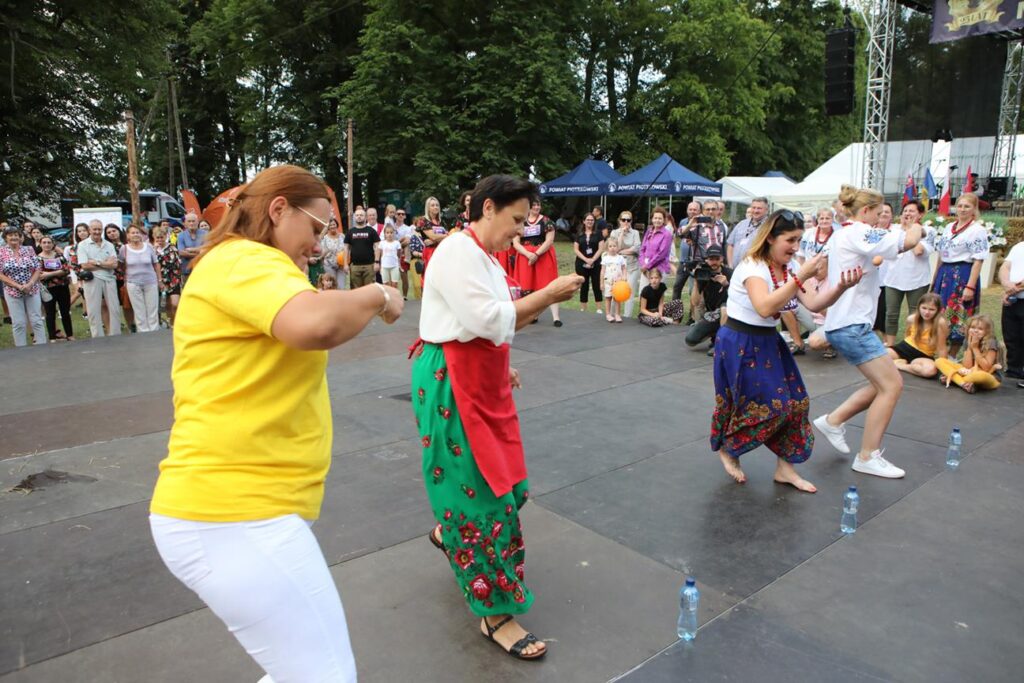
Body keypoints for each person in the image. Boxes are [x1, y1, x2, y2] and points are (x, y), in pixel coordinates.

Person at [150, 165, 403, 683]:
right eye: (317, 227)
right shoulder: (244, 259)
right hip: (232, 512)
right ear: (279, 209)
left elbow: (315, 310)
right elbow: (316, 322)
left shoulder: (247, 266)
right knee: (325, 677)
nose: (319, 243)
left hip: (242, 510)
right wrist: (379, 295)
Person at [412, 174, 581, 662]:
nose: (520, 231)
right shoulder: (455, 252)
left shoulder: (483, 255)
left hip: (480, 377)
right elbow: (486, 319)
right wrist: (547, 295)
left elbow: (490, 324)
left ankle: (449, 532)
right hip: (452, 382)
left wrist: (500, 367)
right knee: (483, 499)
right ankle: (496, 615)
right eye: (515, 220)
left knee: (509, 485)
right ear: (487, 208)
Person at [712, 210, 863, 493]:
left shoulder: (791, 267)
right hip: (740, 342)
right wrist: (801, 276)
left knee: (797, 403)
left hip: (769, 341)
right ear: (771, 238)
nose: (795, 247)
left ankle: (785, 469)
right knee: (767, 406)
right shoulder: (753, 267)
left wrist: (842, 287)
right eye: (790, 240)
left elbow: (815, 303)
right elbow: (765, 307)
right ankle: (729, 448)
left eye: (799, 240)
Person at [814, 185, 923, 479]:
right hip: (851, 325)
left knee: (882, 383)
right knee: (892, 385)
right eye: (878, 213)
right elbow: (909, 241)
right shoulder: (859, 231)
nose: (881, 219)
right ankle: (867, 456)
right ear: (865, 211)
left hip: (847, 323)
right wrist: (918, 226)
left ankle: (833, 421)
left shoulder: (845, 233)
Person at [933, 193, 989, 356]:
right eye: (960, 206)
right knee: (940, 313)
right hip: (945, 273)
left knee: (959, 316)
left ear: (974, 209)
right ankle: (940, 352)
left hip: (962, 275)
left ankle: (952, 355)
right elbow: (941, 255)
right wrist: (935, 279)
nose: (962, 209)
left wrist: (970, 286)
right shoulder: (949, 227)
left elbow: (978, 260)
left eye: (967, 206)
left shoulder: (977, 230)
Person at [882, 201, 935, 346]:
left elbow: (918, 251)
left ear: (921, 214)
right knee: (891, 314)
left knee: (915, 314)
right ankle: (890, 344)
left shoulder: (928, 231)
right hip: (893, 279)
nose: (907, 214)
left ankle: (911, 344)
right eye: (905, 211)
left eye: (912, 211)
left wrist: (911, 230)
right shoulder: (894, 230)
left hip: (917, 280)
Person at [512, 200, 562, 326]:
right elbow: (516, 242)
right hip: (525, 256)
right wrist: (527, 254)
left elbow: (549, 240)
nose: (536, 207)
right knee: (527, 284)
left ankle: (556, 317)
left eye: (538, 205)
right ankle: (532, 315)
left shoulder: (546, 221)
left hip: (543, 255)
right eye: (534, 205)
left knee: (549, 283)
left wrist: (536, 254)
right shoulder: (521, 222)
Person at [0, 225, 47, 345]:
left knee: (36, 320)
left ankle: (42, 347)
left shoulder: (29, 249)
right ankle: (21, 349)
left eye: (16, 235)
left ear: (20, 237)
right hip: (12, 291)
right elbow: (1, 274)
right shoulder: (1, 252)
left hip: (32, 289)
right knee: (18, 323)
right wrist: (17, 286)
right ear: (5, 238)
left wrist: (30, 284)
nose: (14, 237)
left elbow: (37, 268)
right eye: (10, 235)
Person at [935, 314, 1005, 393]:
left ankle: (954, 379)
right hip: (969, 372)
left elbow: (986, 368)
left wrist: (975, 348)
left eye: (980, 329)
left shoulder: (991, 342)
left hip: (989, 375)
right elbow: (967, 366)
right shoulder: (967, 339)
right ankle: (964, 383)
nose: (975, 331)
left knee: (979, 376)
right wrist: (969, 346)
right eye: (973, 327)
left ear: (987, 331)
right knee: (939, 361)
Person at [77, 220, 122, 337]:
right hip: (93, 279)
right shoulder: (83, 245)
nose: (97, 232)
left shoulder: (109, 245)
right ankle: (97, 336)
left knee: (114, 308)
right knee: (93, 310)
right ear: (89, 230)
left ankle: (116, 335)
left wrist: (97, 262)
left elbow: (114, 264)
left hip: (109, 278)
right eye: (94, 229)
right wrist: (106, 264)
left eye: (99, 229)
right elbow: (85, 265)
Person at [886, 292, 947, 379]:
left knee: (930, 371)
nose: (927, 312)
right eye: (924, 308)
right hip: (905, 348)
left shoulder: (940, 323)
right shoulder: (912, 318)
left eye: (931, 309)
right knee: (878, 357)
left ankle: (900, 365)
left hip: (924, 354)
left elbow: (942, 348)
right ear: (919, 307)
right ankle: (907, 365)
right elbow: (907, 335)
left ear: (938, 310)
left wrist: (945, 370)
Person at [684, 245, 731, 351]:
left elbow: (739, 298)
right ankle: (714, 335)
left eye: (717, 259)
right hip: (712, 315)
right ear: (706, 260)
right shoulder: (703, 273)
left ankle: (722, 344)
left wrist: (726, 284)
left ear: (722, 259)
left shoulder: (729, 273)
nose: (714, 262)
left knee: (724, 309)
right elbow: (695, 302)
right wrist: (696, 282)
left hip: (729, 315)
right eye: (711, 259)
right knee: (690, 339)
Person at [121, 224, 162, 332]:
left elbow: (156, 264)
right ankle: (143, 333)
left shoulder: (148, 247)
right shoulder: (124, 249)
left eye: (137, 232)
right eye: (133, 233)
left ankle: (154, 332)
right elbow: (121, 265)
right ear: (128, 235)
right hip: (133, 283)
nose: (135, 234)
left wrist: (160, 280)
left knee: (152, 309)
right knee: (139, 311)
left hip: (150, 282)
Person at [37, 235, 74, 341]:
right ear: (40, 244)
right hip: (47, 289)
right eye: (44, 242)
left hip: (62, 287)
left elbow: (66, 270)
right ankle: (52, 337)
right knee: (50, 313)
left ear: (53, 244)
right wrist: (58, 272)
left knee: (65, 312)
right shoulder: (37, 258)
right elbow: (40, 275)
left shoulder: (59, 256)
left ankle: (70, 335)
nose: (47, 244)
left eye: (49, 242)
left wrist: (49, 274)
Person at [999, 237, 1024, 380]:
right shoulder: (1019, 246)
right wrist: (1006, 283)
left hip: (1013, 295)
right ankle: (1013, 372)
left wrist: (1011, 290)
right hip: (1013, 301)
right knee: (1011, 337)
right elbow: (1005, 267)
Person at [609, 211, 641, 317]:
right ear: (619, 221)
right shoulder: (614, 233)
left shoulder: (635, 233)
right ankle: (613, 314)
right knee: (616, 291)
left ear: (631, 221)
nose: (626, 222)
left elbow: (637, 248)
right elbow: (614, 248)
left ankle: (627, 316)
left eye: (628, 220)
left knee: (630, 292)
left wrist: (622, 251)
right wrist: (622, 234)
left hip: (633, 266)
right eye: (623, 220)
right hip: (618, 267)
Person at [871, 202, 895, 336]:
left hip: (888, 279)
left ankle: (886, 340)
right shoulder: (868, 231)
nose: (884, 214)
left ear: (892, 215)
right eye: (881, 211)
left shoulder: (895, 231)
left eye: (887, 212)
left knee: (884, 312)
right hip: (870, 278)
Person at [151, 225, 182, 327]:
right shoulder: (152, 249)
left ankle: (177, 322)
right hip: (159, 279)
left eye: (162, 237)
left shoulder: (172, 248)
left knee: (175, 304)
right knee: (167, 304)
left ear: (165, 236)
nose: (160, 240)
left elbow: (177, 264)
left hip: (173, 278)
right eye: (158, 237)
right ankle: (171, 323)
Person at [573, 213, 604, 313]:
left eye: (592, 220)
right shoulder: (579, 233)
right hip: (581, 263)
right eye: (588, 220)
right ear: (584, 221)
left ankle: (599, 309)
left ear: (594, 222)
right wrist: (586, 259)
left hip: (596, 263)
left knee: (596, 285)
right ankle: (583, 308)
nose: (590, 222)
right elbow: (576, 249)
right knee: (584, 285)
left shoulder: (598, 233)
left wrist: (592, 259)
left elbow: (601, 248)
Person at [343, 207, 381, 289]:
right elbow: (346, 248)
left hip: (369, 266)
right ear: (354, 217)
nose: (359, 217)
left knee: (370, 289)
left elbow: (377, 247)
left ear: (365, 217)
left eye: (361, 215)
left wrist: (377, 262)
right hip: (355, 266)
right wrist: (345, 264)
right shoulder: (350, 232)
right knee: (356, 291)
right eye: (357, 215)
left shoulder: (371, 231)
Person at [638, 206, 673, 292]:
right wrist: (643, 264)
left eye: (660, 218)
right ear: (652, 219)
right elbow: (642, 249)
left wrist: (647, 266)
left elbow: (661, 254)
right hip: (646, 269)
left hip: (659, 269)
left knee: (655, 296)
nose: (657, 220)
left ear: (664, 220)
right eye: (655, 218)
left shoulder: (667, 234)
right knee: (643, 294)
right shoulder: (649, 231)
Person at [727, 197, 768, 267]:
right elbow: (730, 245)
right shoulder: (741, 224)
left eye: (759, 208)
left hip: (755, 269)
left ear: (766, 210)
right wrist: (730, 265)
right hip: (735, 269)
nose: (756, 211)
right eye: (753, 208)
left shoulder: (769, 226)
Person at [416, 196, 449, 273]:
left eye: (437, 205)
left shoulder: (442, 221)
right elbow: (433, 237)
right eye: (432, 205)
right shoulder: (423, 220)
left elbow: (448, 237)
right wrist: (444, 236)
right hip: (430, 252)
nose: (435, 207)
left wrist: (433, 240)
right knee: (431, 274)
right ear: (428, 208)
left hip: (442, 250)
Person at [600, 237, 627, 323]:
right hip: (608, 282)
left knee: (617, 299)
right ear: (607, 247)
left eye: (614, 246)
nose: (612, 248)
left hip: (618, 283)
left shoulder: (620, 258)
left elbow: (624, 269)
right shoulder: (605, 258)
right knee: (608, 298)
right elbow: (602, 271)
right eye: (610, 246)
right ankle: (608, 314)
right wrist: (601, 283)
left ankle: (617, 314)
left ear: (617, 247)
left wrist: (624, 276)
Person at [176, 213, 208, 286]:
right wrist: (199, 252)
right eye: (189, 221)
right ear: (185, 223)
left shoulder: (205, 234)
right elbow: (181, 252)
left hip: (202, 267)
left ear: (197, 222)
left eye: (193, 221)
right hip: (187, 269)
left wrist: (190, 250)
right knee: (187, 288)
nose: (191, 223)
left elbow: (207, 250)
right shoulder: (181, 235)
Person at [320, 218, 346, 290]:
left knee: (341, 287)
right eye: (330, 225)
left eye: (334, 224)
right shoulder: (325, 238)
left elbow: (347, 249)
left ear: (337, 225)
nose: (332, 226)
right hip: (329, 265)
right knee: (331, 287)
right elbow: (322, 253)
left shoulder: (342, 236)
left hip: (341, 265)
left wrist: (346, 263)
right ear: (328, 227)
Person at [379, 224, 402, 289]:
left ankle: (394, 295)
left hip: (394, 266)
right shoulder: (382, 243)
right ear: (385, 234)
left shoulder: (397, 243)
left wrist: (399, 264)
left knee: (394, 284)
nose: (389, 234)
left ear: (394, 233)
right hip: (384, 266)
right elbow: (381, 255)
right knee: (386, 284)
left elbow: (399, 254)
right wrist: (380, 266)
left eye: (391, 232)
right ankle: (388, 295)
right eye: (387, 232)